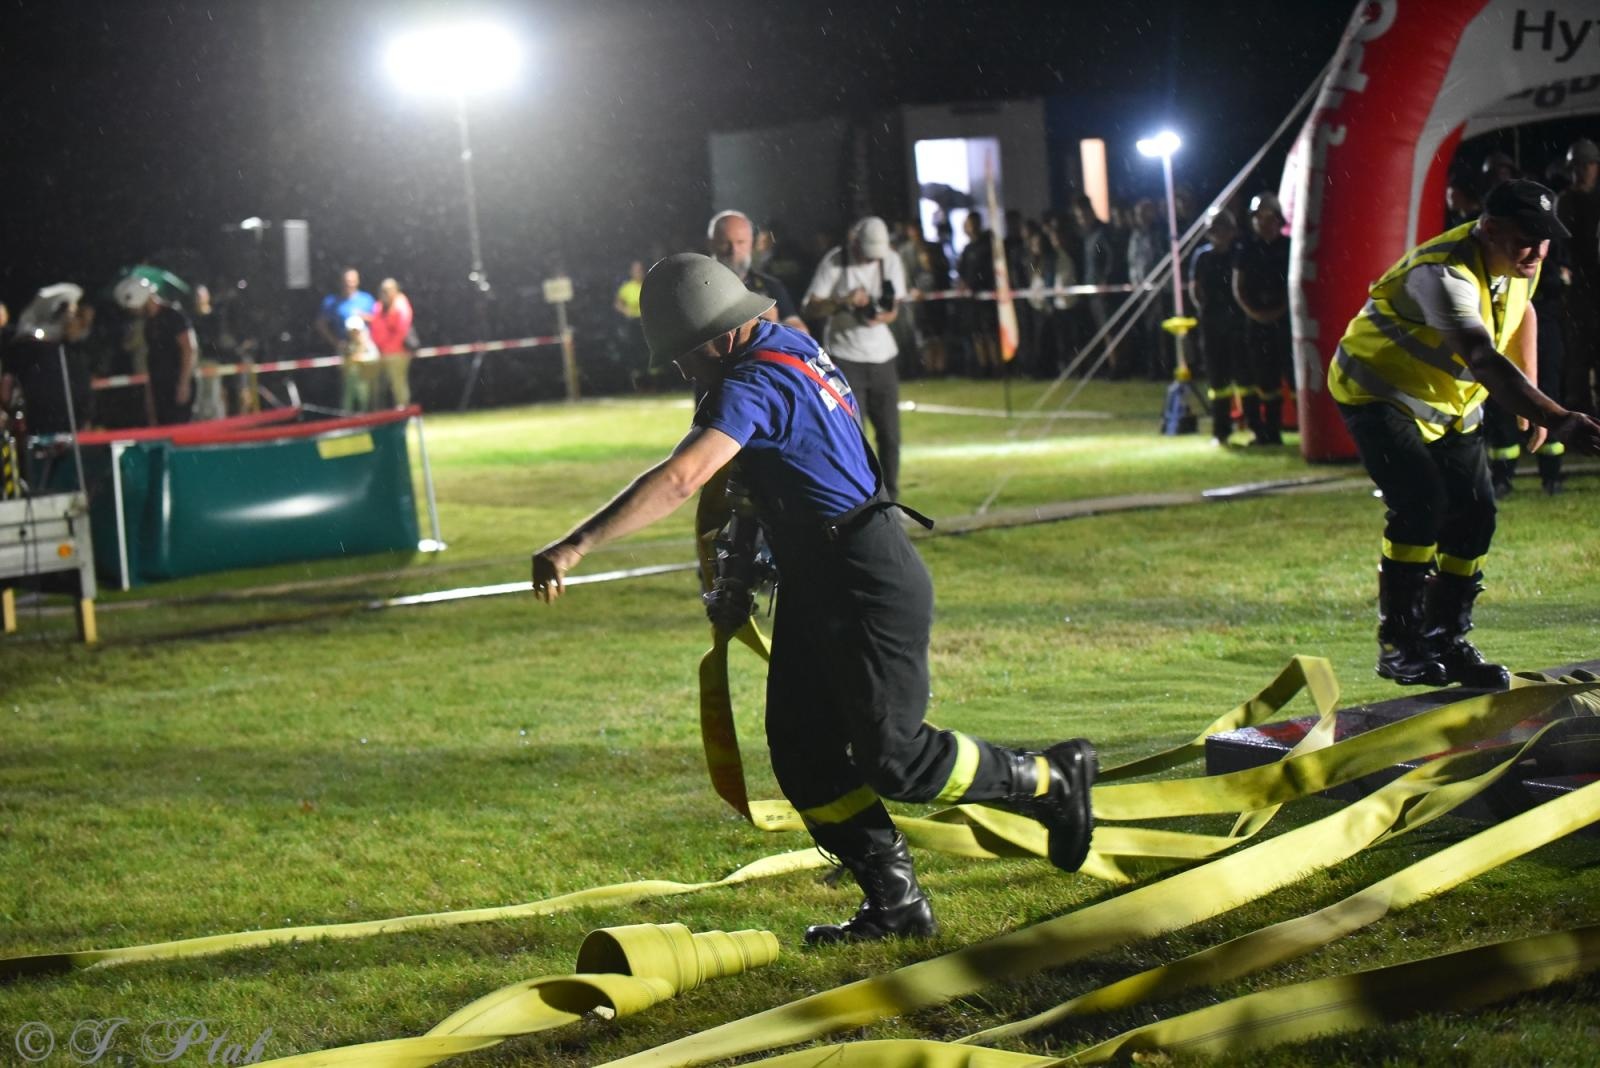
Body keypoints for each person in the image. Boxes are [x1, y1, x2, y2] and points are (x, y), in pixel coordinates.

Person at [530, 254, 1097, 944]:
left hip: (864, 578)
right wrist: (739, 571)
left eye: (685, 353)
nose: (680, 369)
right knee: (802, 751)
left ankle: (1050, 779)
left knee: (896, 760)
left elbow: (683, 478)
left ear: (722, 335)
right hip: (821, 574)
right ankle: (896, 906)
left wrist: (575, 544)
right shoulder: (786, 346)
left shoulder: (753, 382)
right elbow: (760, 478)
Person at [1328, 179, 1600, 690]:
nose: (1538, 252)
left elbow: (1523, 310)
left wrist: (1532, 387)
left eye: (1544, 240)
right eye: (1526, 239)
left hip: (1450, 403)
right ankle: (1401, 644)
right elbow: (1481, 357)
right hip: (1379, 392)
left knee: (1477, 513)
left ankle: (1446, 639)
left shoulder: (1518, 261)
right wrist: (1556, 416)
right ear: (1489, 229)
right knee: (1421, 505)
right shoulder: (1443, 275)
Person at [803, 215, 909, 500]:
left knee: (890, 437)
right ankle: (860, 501)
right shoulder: (835, 262)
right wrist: (844, 301)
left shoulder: (891, 260)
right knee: (852, 437)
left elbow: (893, 308)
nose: (871, 260)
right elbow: (811, 307)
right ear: (855, 243)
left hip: (883, 357)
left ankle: (891, 502)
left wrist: (882, 316)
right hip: (844, 359)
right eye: (866, 254)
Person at [1232, 193, 1293, 445]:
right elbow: (1239, 286)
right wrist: (1256, 313)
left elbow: (1296, 282)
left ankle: (1306, 429)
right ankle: (1268, 432)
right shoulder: (1246, 248)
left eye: (1268, 217)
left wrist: (1281, 310)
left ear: (1278, 219)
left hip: (1285, 321)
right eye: (1258, 217)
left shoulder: (1289, 247)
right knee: (1264, 378)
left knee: (1293, 375)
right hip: (1256, 322)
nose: (1263, 223)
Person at [1190, 209, 1246, 444]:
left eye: (1223, 229)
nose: (1219, 234)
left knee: (1245, 377)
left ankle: (1256, 427)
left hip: (1238, 323)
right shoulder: (1202, 257)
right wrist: (1206, 310)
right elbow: (1196, 289)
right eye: (1215, 230)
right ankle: (1221, 430)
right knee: (1217, 379)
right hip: (1212, 324)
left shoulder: (1239, 254)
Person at [115, 275, 196, 426]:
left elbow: (189, 348)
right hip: (160, 387)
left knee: (180, 430)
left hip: (176, 384)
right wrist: (150, 399)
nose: (135, 312)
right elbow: (152, 360)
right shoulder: (149, 323)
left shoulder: (173, 315)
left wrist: (183, 384)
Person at [707, 210, 807, 333]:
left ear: (751, 244)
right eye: (725, 243)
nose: (734, 250)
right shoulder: (697, 286)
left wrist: (776, 325)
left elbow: (802, 333)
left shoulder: (770, 286)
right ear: (711, 244)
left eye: (740, 242)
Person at [1557, 138, 1600, 414]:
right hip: (1578, 290)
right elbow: (1559, 245)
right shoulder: (1565, 202)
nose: (1583, 170)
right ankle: (1582, 416)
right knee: (1578, 357)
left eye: (1588, 164)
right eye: (1578, 165)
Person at [369, 277, 416, 408]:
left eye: (388, 290)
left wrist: (388, 348)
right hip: (379, 353)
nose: (385, 293)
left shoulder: (401, 306)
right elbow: (375, 327)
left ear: (395, 290)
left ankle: (403, 410)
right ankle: (381, 412)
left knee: (398, 383)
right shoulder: (378, 306)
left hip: (398, 354)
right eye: (383, 290)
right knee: (379, 385)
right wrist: (378, 347)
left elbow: (401, 331)